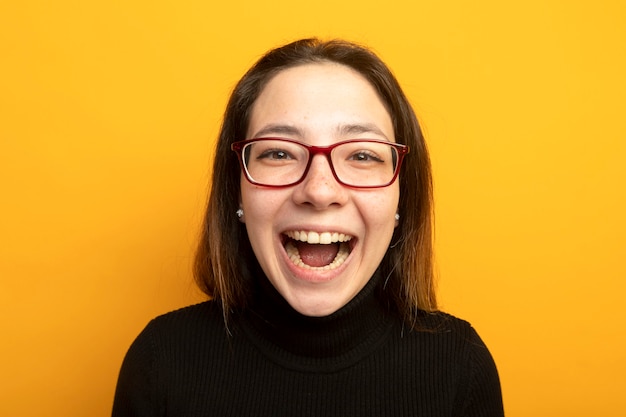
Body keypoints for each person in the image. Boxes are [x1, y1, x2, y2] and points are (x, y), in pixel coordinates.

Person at [112, 38, 504, 416]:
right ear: (237, 192)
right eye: (279, 152)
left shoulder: (460, 369)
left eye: (363, 155)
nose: (319, 190)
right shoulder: (159, 362)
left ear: (403, 194)